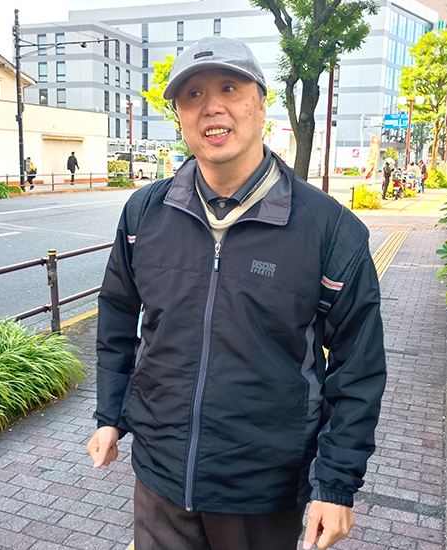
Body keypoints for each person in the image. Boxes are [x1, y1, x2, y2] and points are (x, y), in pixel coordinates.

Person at [86, 36, 386, 550]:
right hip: (158, 477)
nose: (212, 107)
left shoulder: (329, 229)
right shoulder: (144, 214)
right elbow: (118, 314)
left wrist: (335, 484)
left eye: (229, 87)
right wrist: (111, 415)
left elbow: (358, 367)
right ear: (180, 116)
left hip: (262, 489)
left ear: (261, 104)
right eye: (193, 95)